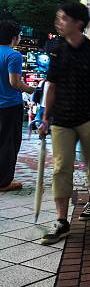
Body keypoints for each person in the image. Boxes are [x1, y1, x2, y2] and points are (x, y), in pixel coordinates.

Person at [39, 2, 90, 245]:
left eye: (63, 18)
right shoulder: (57, 50)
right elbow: (52, 85)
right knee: (61, 167)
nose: (58, 22)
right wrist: (45, 117)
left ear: (78, 23)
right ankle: (62, 220)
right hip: (61, 119)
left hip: (89, 119)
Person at [0, 20, 35, 192]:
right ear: (14, 37)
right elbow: (14, 82)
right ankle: (4, 182)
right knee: (9, 143)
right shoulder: (13, 56)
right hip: (9, 106)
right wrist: (32, 89)